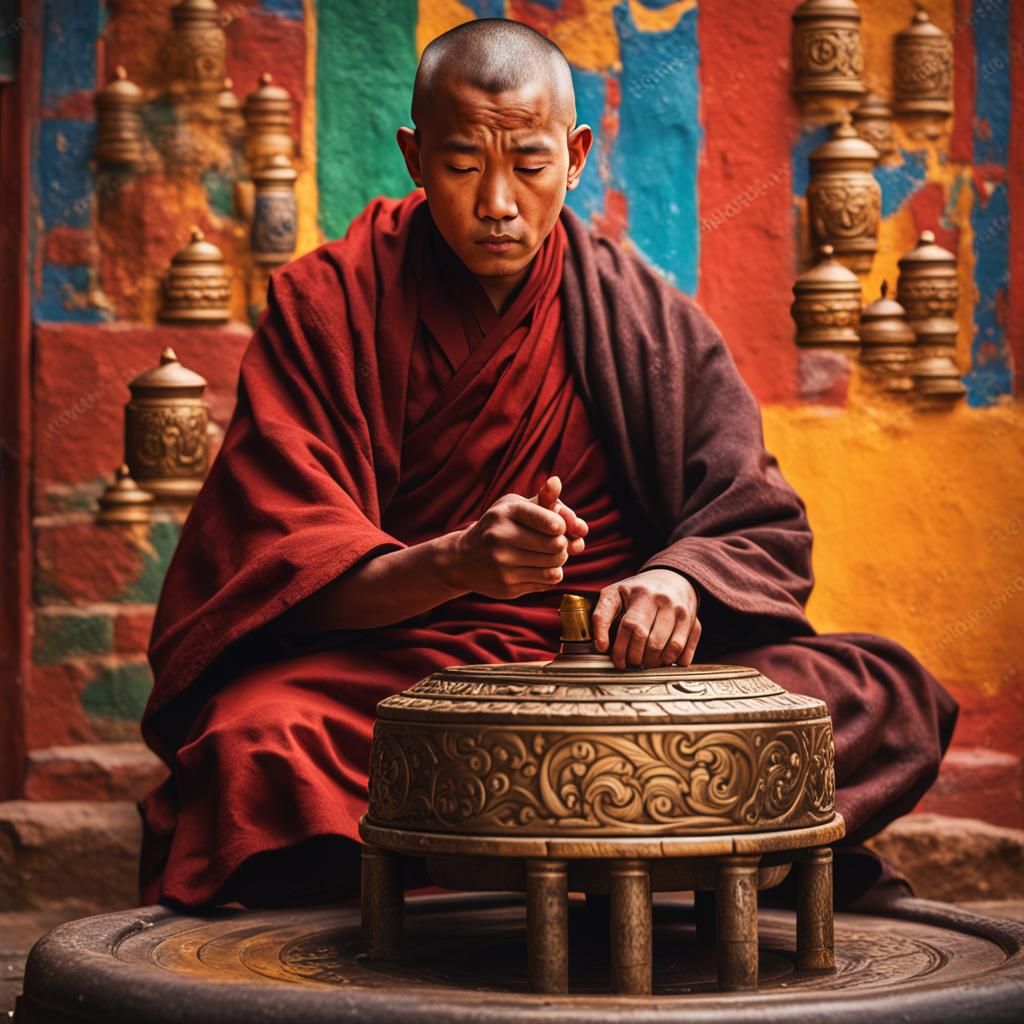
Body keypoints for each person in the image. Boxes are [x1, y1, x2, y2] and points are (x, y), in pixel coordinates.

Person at [138, 19, 957, 909]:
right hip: (411, 678)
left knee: (880, 691)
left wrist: (679, 582)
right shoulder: (330, 305)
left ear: (574, 157)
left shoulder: (641, 315)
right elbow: (280, 566)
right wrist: (455, 564)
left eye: (528, 165)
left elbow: (756, 518)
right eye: (461, 166)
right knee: (254, 744)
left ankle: (551, 849)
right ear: (414, 157)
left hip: (613, 678)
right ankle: (642, 849)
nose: (496, 201)